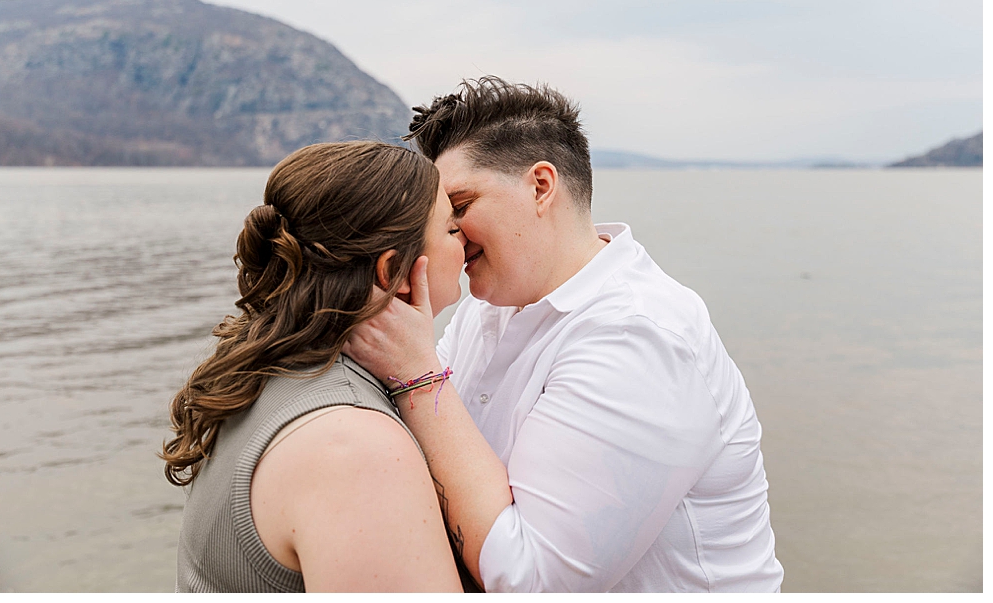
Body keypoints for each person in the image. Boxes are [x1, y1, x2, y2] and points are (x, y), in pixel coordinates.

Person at [344, 76, 783, 592]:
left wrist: (418, 375)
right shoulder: (487, 310)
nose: (451, 235)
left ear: (541, 185)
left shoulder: (636, 336)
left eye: (460, 206)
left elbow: (532, 581)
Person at [166, 141, 471, 592]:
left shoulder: (263, 367)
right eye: (451, 229)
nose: (466, 240)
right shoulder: (354, 450)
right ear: (392, 272)